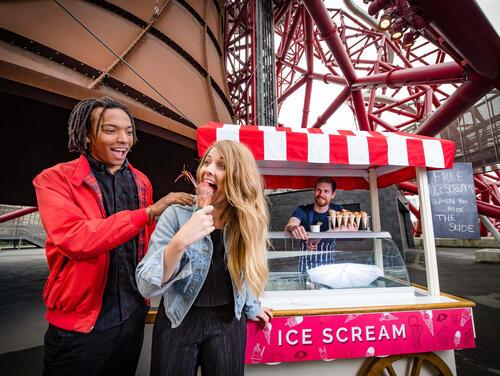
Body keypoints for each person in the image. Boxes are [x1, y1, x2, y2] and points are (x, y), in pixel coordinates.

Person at [33, 97, 194, 376]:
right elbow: (75, 239)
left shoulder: (141, 181)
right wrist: (148, 213)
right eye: (110, 130)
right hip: (79, 326)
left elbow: (151, 246)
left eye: (129, 131)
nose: (123, 139)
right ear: (86, 134)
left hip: (131, 316)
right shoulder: (54, 179)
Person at [136, 140, 273, 376]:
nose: (208, 169)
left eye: (220, 165)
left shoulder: (247, 221)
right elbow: (146, 286)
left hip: (228, 323)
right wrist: (180, 242)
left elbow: (248, 268)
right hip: (178, 320)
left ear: (238, 178)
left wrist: (252, 307)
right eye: (206, 162)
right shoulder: (176, 215)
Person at [284, 176, 343, 271]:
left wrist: (321, 236)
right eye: (318, 190)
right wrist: (293, 228)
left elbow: (351, 227)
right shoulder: (303, 210)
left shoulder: (337, 210)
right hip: (306, 268)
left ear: (333, 194)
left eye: (326, 191)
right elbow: (291, 224)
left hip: (328, 267)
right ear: (314, 191)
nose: (321, 194)